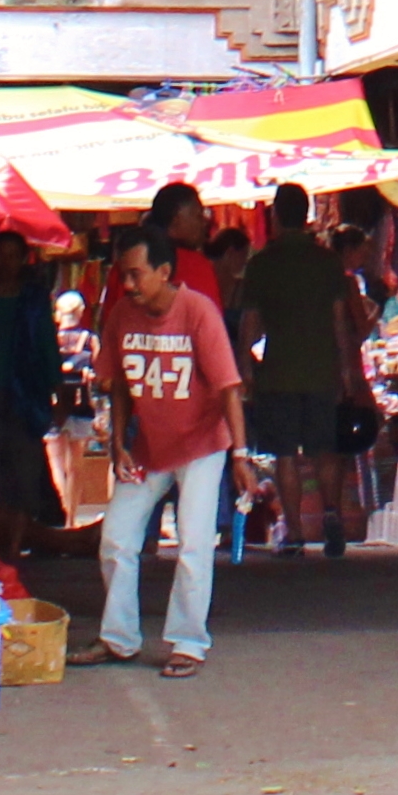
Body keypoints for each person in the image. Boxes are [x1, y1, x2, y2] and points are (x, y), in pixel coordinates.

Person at [92, 224, 245, 675]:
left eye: (137, 274)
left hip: (200, 444)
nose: (129, 284)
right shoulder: (122, 313)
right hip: (147, 447)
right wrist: (118, 442)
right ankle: (118, 639)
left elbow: (229, 389)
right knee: (116, 539)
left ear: (164, 271)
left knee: (193, 544)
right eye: (124, 275)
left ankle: (188, 643)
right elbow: (118, 384)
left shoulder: (198, 312)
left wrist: (239, 455)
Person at [231, 181, 365, 556]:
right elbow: (340, 321)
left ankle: (294, 532)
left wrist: (245, 366)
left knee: (286, 454)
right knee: (325, 449)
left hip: (279, 372)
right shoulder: (327, 263)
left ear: (275, 215)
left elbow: (250, 323)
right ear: (306, 214)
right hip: (322, 369)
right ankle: (332, 513)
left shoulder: (262, 264)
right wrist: (347, 372)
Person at [0, 234, 74, 539]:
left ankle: (16, 543)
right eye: (0, 255)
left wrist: (58, 393)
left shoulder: (34, 302)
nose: (5, 263)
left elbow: (48, 348)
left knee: (25, 472)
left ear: (23, 260)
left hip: (26, 399)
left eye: (13, 256)